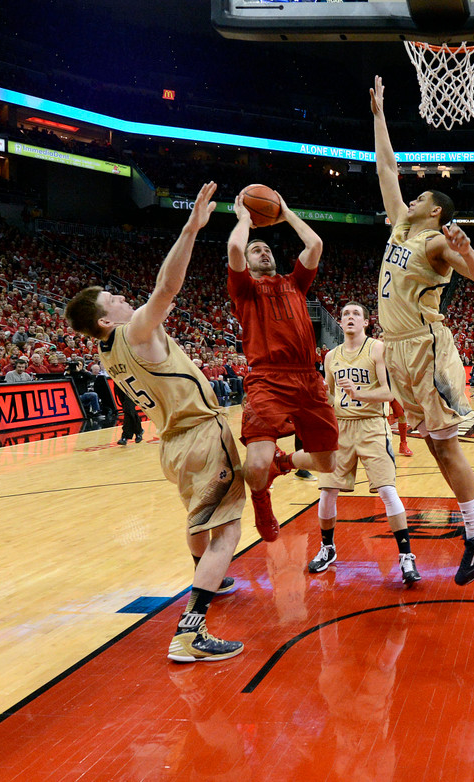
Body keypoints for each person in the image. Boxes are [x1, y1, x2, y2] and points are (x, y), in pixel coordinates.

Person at [65, 183, 245, 663]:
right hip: (202, 436)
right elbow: (167, 287)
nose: (124, 298)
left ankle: (209, 573)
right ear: (105, 320)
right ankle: (191, 629)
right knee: (228, 531)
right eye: (113, 299)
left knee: (199, 521)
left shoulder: (107, 353)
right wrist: (190, 229)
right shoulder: (133, 333)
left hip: (172, 446)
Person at [372, 75, 474, 586]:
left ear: (437, 211)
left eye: (422, 195)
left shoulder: (434, 244)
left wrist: (466, 249)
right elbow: (386, 168)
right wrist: (379, 115)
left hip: (426, 348)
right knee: (432, 443)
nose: (414, 195)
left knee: (445, 444)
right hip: (397, 349)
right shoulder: (402, 225)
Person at [227, 187, 339, 543]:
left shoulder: (295, 283)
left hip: (308, 379)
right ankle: (261, 499)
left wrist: (286, 210)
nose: (263, 251)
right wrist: (245, 219)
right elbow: (234, 249)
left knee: (326, 464)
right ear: (248, 262)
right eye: (256, 250)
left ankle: (285, 463)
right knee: (255, 465)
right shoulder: (244, 288)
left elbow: (315, 245)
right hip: (267, 380)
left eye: (267, 248)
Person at [308, 301, 421, 585]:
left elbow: (388, 392)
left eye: (355, 314)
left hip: (372, 425)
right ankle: (327, 547)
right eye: (345, 314)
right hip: (341, 428)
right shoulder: (330, 356)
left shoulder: (377, 348)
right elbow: (331, 396)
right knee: (327, 491)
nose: (349, 317)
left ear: (366, 322)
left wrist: (359, 393)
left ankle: (406, 556)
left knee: (387, 490)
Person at [114, 381, 144, 446]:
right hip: (118, 383)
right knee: (128, 410)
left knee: (128, 408)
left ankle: (125, 436)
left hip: (131, 383)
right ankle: (138, 431)